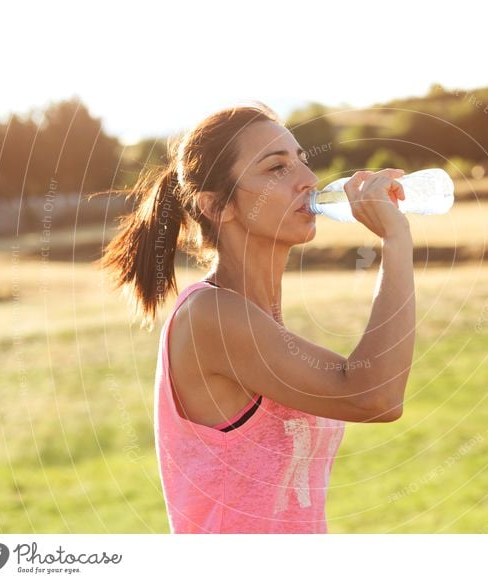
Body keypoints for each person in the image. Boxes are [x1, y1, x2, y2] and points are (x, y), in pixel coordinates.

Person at [96, 102, 416, 533]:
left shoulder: (258, 321)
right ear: (216, 206)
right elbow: (373, 396)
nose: (308, 180)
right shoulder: (210, 316)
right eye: (276, 169)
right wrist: (396, 240)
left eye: (302, 159)